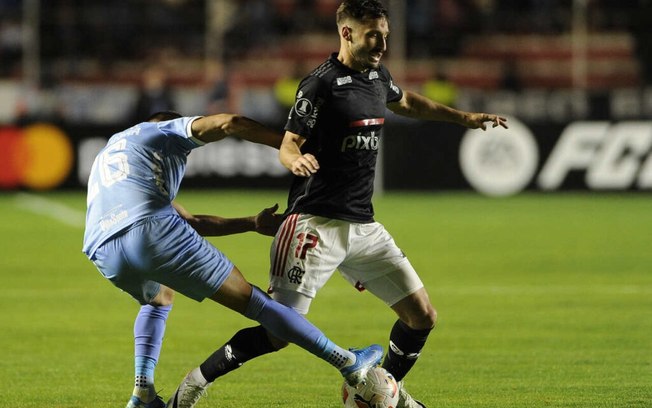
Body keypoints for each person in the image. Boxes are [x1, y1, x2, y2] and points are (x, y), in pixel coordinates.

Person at [167, 1, 508, 407]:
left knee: (422, 316)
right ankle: (194, 382)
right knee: (278, 332)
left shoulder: (378, 76)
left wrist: (463, 118)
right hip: (313, 226)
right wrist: (295, 159)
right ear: (346, 34)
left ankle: (375, 393)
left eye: (385, 34)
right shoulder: (320, 84)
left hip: (363, 226)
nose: (382, 42)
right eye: (373, 35)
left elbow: (409, 103)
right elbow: (289, 143)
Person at [81, 110, 384, 408]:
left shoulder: (116, 151)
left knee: (158, 299)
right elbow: (230, 123)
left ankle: (143, 392)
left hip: (102, 247)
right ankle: (346, 361)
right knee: (256, 303)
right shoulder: (162, 131)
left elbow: (192, 221)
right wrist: (289, 145)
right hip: (147, 228)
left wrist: (251, 223)